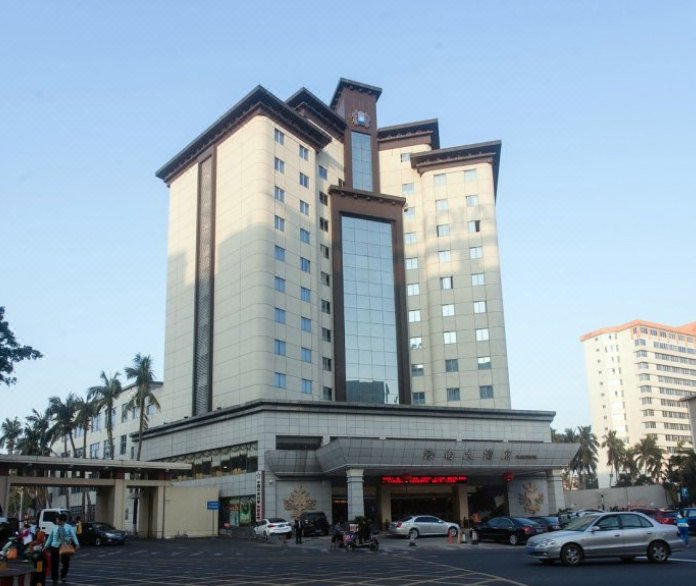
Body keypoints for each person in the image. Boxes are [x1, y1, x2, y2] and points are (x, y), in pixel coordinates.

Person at [45, 513, 79, 585]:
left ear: (63, 520)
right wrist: (45, 546)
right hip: (55, 547)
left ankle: (63, 575)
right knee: (54, 564)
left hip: (65, 547)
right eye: (57, 520)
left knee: (66, 563)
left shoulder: (68, 527)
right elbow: (50, 538)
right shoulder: (54, 527)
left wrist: (77, 544)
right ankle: (55, 579)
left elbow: (73, 536)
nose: (57, 521)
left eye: (59, 520)